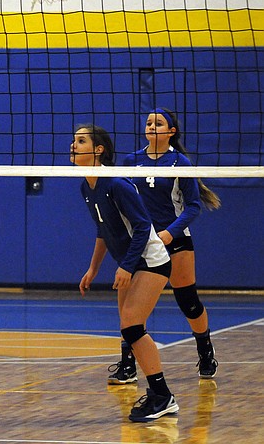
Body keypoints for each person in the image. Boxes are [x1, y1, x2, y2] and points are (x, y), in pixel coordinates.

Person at [73, 125, 179, 422]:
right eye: (74, 140)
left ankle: (163, 396)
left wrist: (127, 266)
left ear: (98, 150)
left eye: (80, 141)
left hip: (151, 260)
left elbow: (144, 226)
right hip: (132, 261)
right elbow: (103, 229)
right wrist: (93, 268)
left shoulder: (116, 183)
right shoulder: (85, 185)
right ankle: (158, 393)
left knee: (132, 327)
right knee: (129, 329)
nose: (73, 145)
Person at [107, 108, 221, 382]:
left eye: (158, 123)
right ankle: (128, 362)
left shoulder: (179, 162)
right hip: (142, 242)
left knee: (188, 302)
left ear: (171, 131)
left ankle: (205, 349)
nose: (151, 126)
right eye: (148, 123)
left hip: (175, 239)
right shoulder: (130, 161)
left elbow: (193, 206)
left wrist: (169, 233)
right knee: (132, 305)